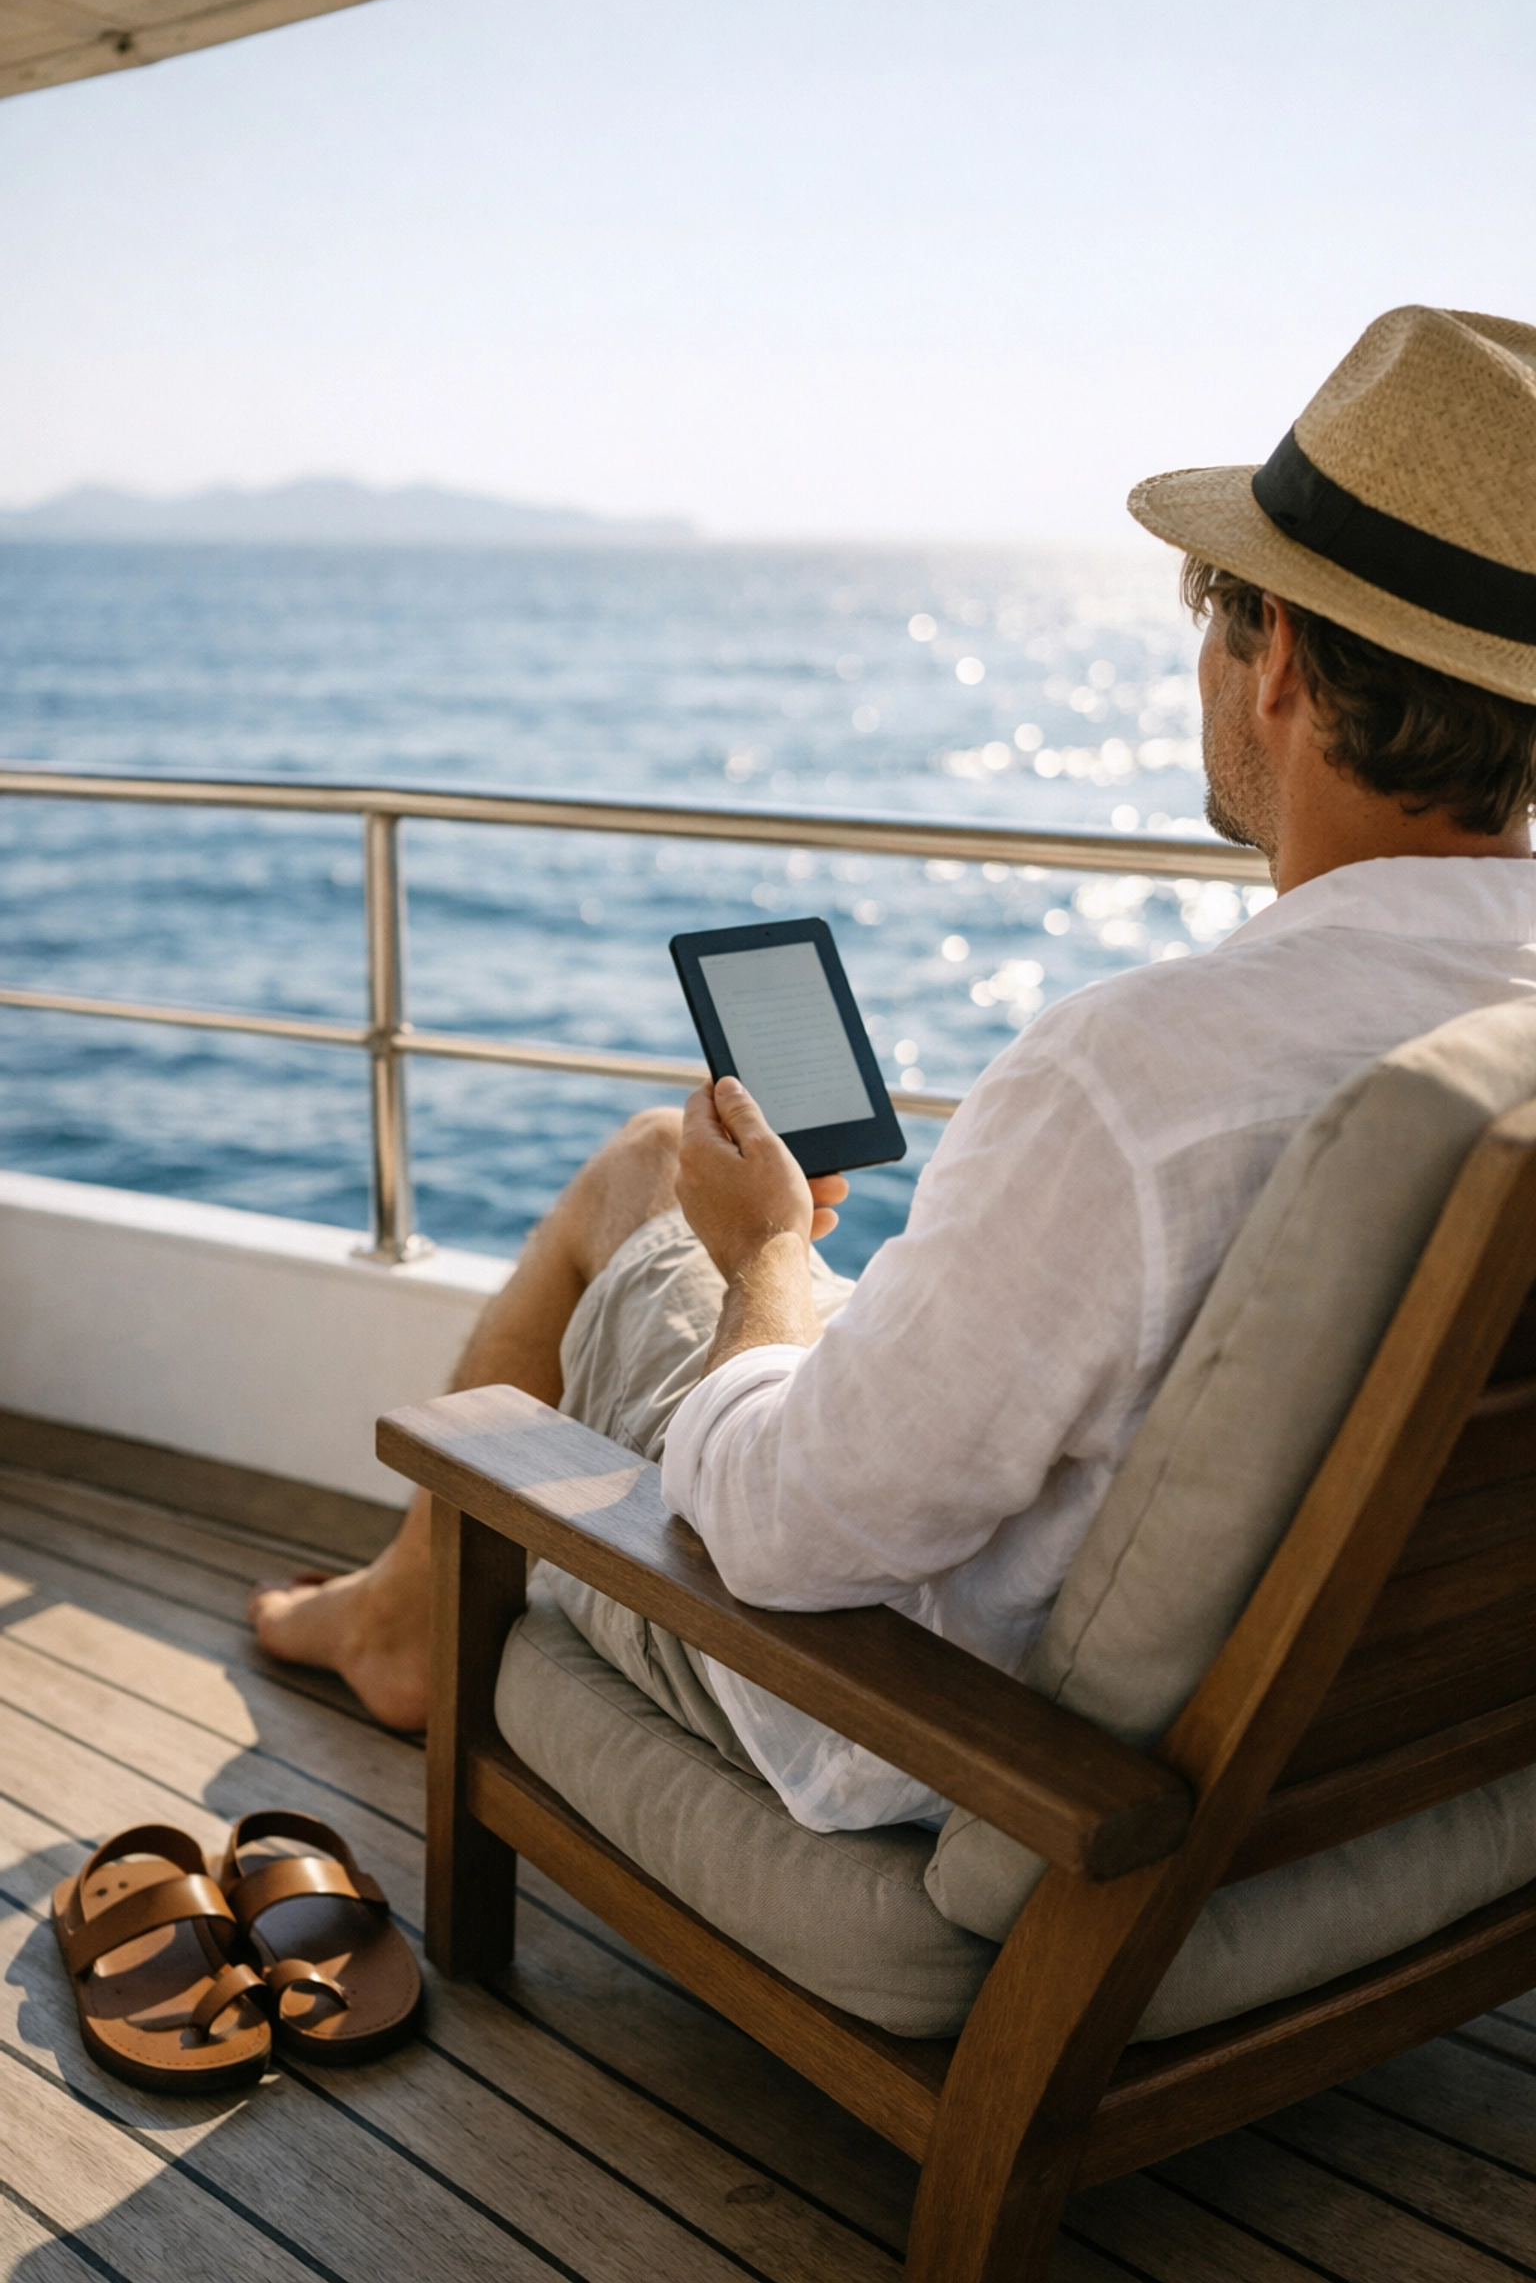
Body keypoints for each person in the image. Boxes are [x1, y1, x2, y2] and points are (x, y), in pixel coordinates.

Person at [252, 305, 1536, 1834]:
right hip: (1370, 1755)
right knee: (713, 1214)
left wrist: (768, 1259)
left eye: (1220, 619)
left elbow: (788, 1535)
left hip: (942, 1741)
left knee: (637, 1183)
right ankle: (404, 1608)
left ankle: (404, 1626)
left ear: (1284, 662)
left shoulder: (1136, 1079)